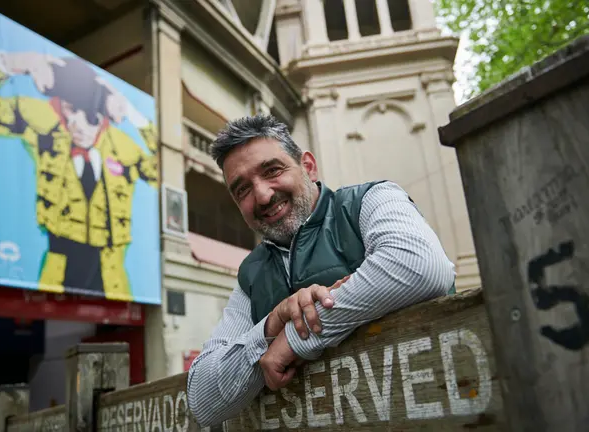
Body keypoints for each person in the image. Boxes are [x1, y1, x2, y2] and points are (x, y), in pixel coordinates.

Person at [186, 114, 456, 426]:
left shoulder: (369, 201)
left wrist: (292, 339)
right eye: (242, 190)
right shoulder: (250, 275)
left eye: (272, 170)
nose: (262, 195)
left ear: (308, 167)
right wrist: (270, 326)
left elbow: (421, 266)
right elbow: (202, 401)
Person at [0, 51, 158, 300]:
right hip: (57, 272)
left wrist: (134, 115)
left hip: (112, 277)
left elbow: (162, 174)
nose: (78, 124)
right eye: (69, 111)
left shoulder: (122, 146)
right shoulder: (44, 126)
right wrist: (14, 63)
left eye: (89, 115)